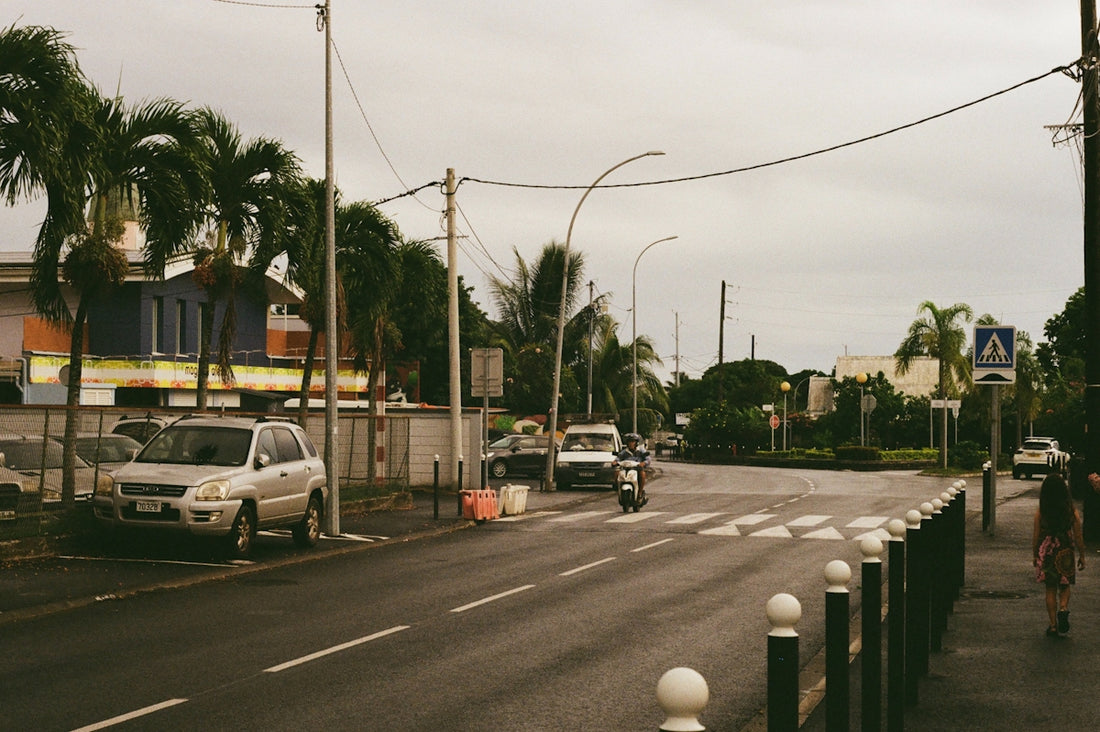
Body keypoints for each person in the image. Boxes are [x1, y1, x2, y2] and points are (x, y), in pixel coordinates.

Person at [1033, 473, 1085, 637]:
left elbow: (1036, 535)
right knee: (1064, 584)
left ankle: (1053, 625)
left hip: (1047, 550)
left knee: (1050, 588)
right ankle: (1063, 608)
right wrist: (1082, 555)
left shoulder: (1042, 511)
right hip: (1065, 550)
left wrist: (1035, 554)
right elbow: (1078, 535)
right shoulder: (1071, 511)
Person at [615, 433, 650, 505]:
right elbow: (618, 458)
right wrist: (615, 462)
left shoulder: (641, 451)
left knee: (642, 474)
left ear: (636, 443)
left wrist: (643, 463)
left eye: (633, 441)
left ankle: (639, 494)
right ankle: (619, 491)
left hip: (637, 469)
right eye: (629, 442)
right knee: (616, 473)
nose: (631, 443)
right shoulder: (624, 452)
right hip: (625, 469)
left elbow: (648, 459)